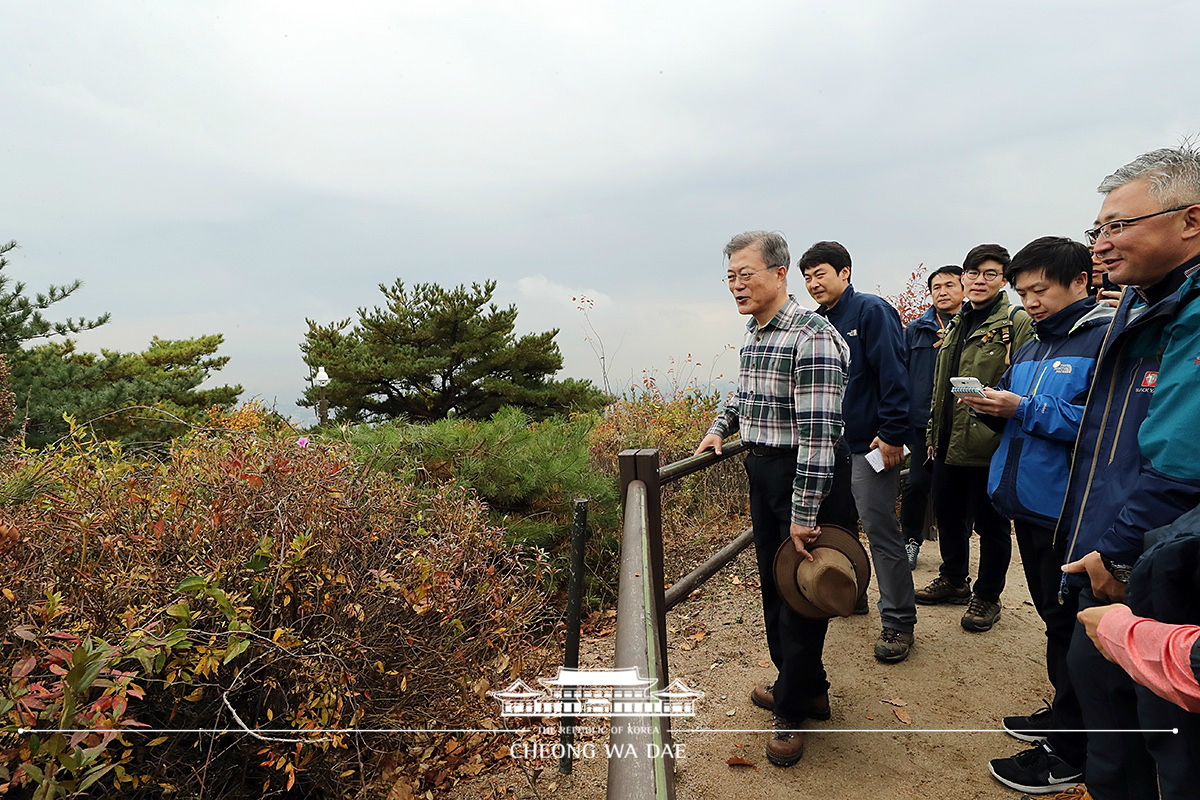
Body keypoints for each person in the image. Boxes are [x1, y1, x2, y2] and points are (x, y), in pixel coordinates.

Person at [1057, 145, 1200, 800]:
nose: (1102, 244)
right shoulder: (1142, 303)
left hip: (1158, 568)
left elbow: (1179, 462)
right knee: (1114, 724)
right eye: (1098, 230)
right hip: (1124, 552)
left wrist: (1111, 552)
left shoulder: (1186, 315)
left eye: (1119, 225)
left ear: (1190, 220)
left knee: (1153, 746)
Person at [958, 237, 1113, 794]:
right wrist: (993, 408)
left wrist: (1024, 407)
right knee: (1054, 616)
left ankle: (1074, 748)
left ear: (1080, 282)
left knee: (1074, 624)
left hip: (1069, 510)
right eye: (1022, 292)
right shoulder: (1029, 348)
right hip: (1026, 504)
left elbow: (1100, 427)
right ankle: (1061, 715)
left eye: (1039, 290)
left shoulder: (1104, 341)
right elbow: (1024, 424)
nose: (1030, 302)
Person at [695, 230, 850, 767]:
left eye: (746, 274)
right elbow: (743, 391)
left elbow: (819, 433)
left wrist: (805, 512)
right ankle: (806, 687)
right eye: (730, 277)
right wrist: (721, 427)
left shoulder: (813, 337)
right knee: (777, 586)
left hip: (801, 476)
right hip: (760, 470)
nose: (736, 285)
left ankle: (791, 708)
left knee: (801, 595)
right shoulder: (756, 333)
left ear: (780, 273)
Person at [799, 241, 918, 663]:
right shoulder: (815, 323)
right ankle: (854, 593)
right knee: (839, 525)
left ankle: (899, 621)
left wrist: (892, 434)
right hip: (831, 447)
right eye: (807, 277)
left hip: (870, 444)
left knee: (880, 527)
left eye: (821, 274)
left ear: (845, 273)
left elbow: (894, 372)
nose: (814, 283)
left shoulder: (870, 311)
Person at [917, 244, 1033, 632]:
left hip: (990, 444)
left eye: (989, 274)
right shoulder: (955, 322)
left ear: (1004, 280)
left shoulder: (1015, 322)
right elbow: (939, 387)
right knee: (949, 516)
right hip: (949, 442)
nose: (979, 281)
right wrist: (934, 433)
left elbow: (1024, 380)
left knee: (992, 524)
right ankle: (953, 579)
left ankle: (987, 595)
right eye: (973, 273)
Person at [901, 265, 965, 568]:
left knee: (956, 489)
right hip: (921, 423)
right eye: (936, 286)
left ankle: (956, 550)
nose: (942, 291)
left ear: (963, 288)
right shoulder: (916, 329)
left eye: (950, 285)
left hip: (961, 422)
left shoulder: (973, 326)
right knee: (915, 485)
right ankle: (910, 540)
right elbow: (901, 373)